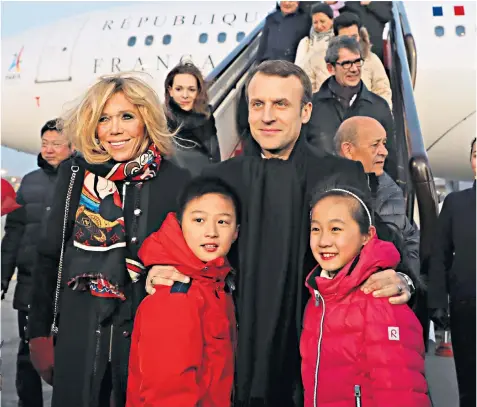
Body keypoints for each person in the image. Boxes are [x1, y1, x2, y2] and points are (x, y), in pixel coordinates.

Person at [146, 60, 415, 407]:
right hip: (233, 361)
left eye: (280, 104)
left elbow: (379, 245)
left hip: (318, 362)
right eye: (258, 104)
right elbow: (179, 242)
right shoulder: (218, 179)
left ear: (305, 112)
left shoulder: (340, 174)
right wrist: (161, 266)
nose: (267, 116)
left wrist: (402, 279)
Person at [27, 74, 190, 407]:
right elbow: (49, 255)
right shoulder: (74, 175)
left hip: (147, 341)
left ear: (146, 120)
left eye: (126, 117)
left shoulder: (177, 181)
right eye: (104, 118)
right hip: (80, 333)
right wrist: (39, 331)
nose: (115, 129)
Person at [301, 185, 429, 407]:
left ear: (367, 236)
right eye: (316, 229)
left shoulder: (381, 297)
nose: (323, 241)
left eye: (336, 229)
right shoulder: (318, 298)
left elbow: (401, 393)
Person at [127, 176, 239, 407]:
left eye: (223, 222)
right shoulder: (175, 294)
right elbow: (167, 395)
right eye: (199, 220)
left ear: (236, 232)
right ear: (180, 224)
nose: (211, 232)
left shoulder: (216, 285)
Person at [1, 119, 73, 407]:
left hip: (67, 285)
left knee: (68, 354)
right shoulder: (29, 181)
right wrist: (3, 278)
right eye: (46, 144)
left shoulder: (80, 181)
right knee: (28, 353)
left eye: (57, 144)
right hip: (30, 285)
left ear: (71, 146)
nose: (50, 149)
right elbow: (13, 235)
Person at [335, 116, 420, 277]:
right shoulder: (327, 191)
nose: (384, 152)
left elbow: (411, 240)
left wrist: (405, 279)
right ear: (348, 150)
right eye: (375, 145)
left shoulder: (391, 190)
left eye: (384, 143)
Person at [428, 138, 476, 407]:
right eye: (476, 154)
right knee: (469, 385)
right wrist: (437, 302)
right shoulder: (455, 203)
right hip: (467, 306)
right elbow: (439, 256)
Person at [307, 35, 396, 180]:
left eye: (357, 62)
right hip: (321, 195)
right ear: (331, 68)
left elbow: (391, 160)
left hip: (368, 196)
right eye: (347, 63)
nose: (354, 69)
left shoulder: (379, 107)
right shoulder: (311, 107)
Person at [165, 62, 221, 176]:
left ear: (198, 92)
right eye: (179, 89)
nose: (185, 95)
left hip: (207, 183)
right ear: (170, 91)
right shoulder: (162, 122)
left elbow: (215, 157)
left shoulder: (206, 117)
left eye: (191, 89)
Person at [295, 3, 334, 68]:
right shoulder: (305, 43)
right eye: (315, 22)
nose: (319, 26)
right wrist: (313, 52)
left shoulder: (338, 41)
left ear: (332, 20)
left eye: (322, 21)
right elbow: (298, 69)